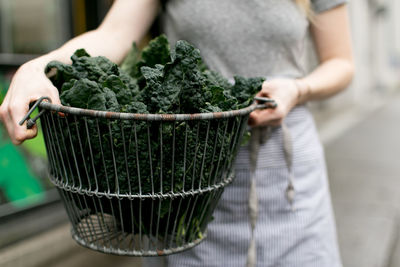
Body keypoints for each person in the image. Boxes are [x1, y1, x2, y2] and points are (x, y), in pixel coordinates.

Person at [0, 0, 354, 266]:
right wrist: (38, 68)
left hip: (285, 163)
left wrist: (298, 89)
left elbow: (341, 63)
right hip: (191, 167)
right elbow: (113, 34)